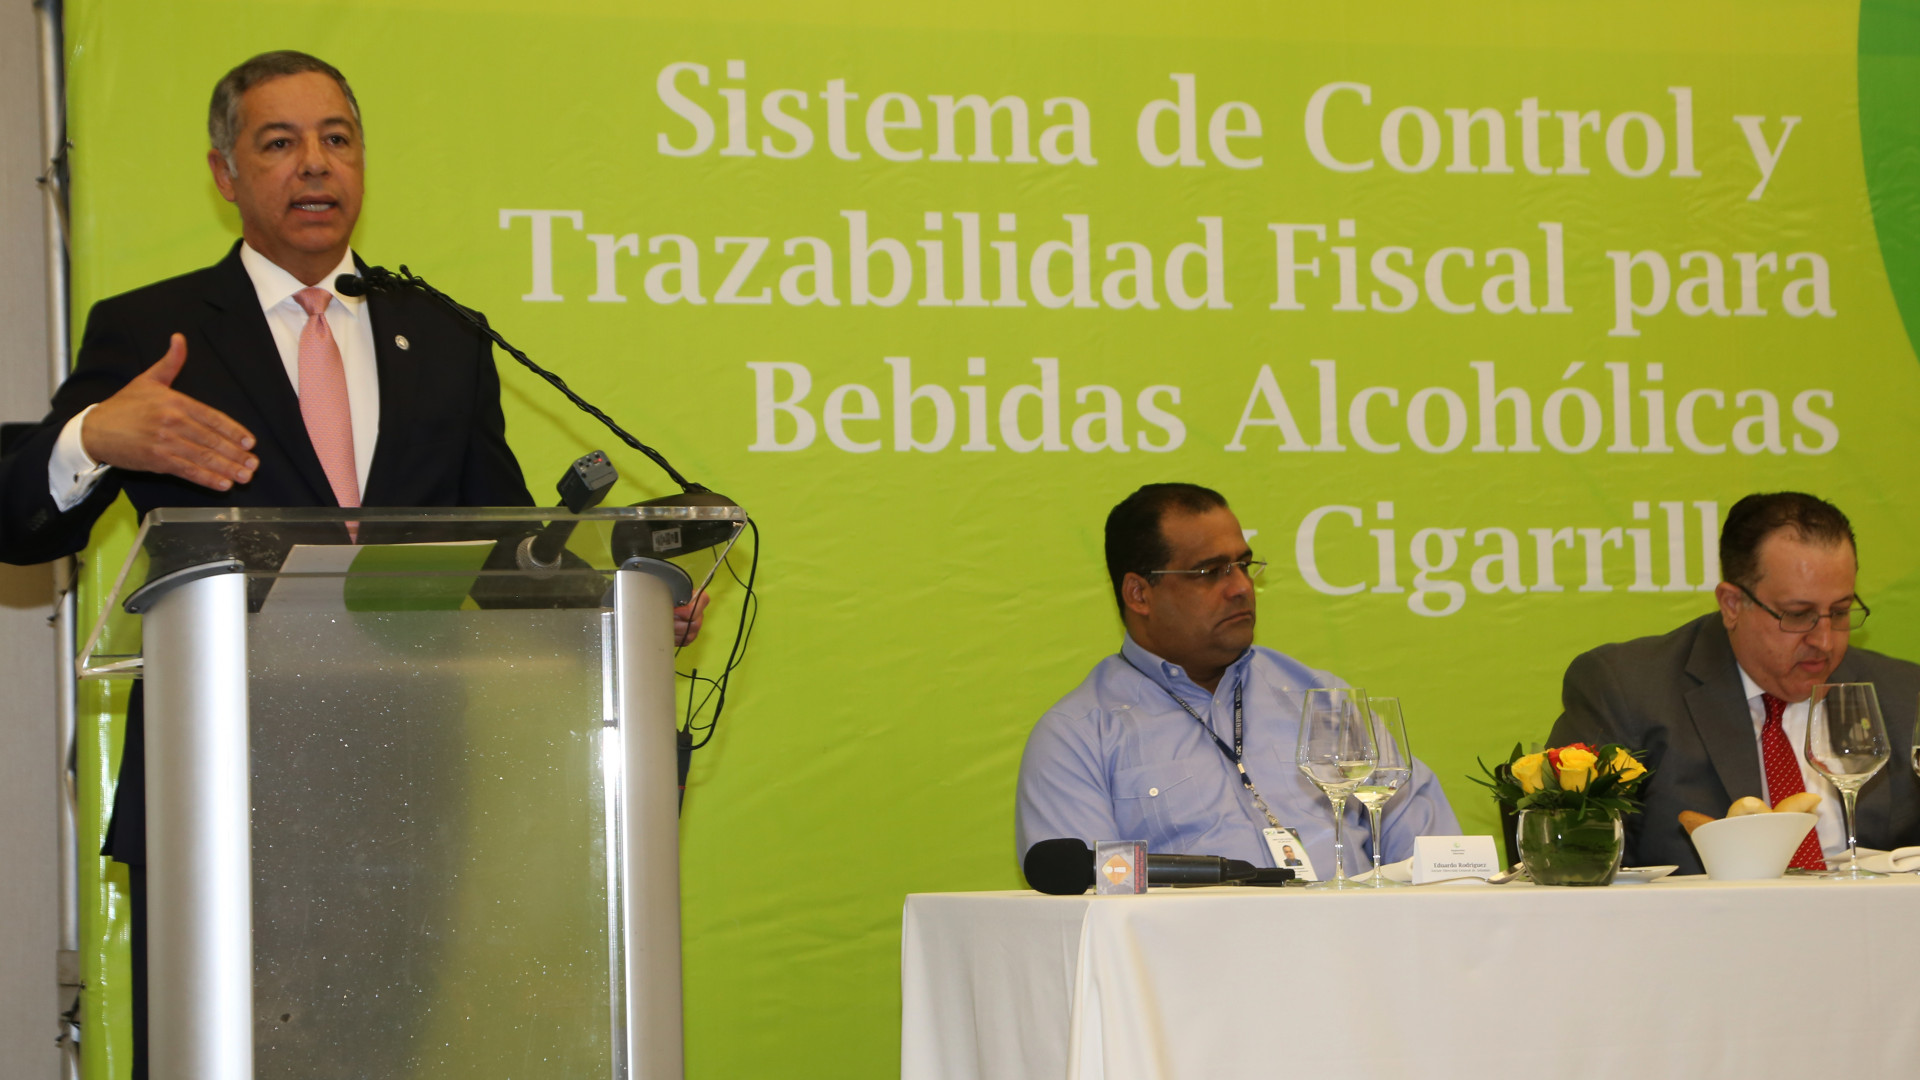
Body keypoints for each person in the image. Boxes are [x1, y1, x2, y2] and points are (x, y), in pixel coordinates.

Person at [0, 51, 704, 1075]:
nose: (316, 164)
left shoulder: (444, 337)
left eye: (337, 139)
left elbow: (505, 557)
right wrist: (95, 436)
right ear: (225, 173)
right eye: (279, 143)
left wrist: (612, 612)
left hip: (402, 795)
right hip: (218, 783)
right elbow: (20, 525)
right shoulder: (155, 330)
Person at [1015, 483, 1459, 876]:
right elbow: (1090, 908)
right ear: (1139, 593)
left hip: (1360, 940)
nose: (1242, 587)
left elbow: (1439, 863)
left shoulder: (1322, 702)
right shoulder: (1078, 738)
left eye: (1244, 565)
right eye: (1210, 572)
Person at [1549, 492, 1920, 874]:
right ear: (1731, 605)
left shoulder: (1906, 695)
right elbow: (1571, 864)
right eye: (1798, 615)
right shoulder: (1628, 691)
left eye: (1840, 612)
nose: (1825, 641)